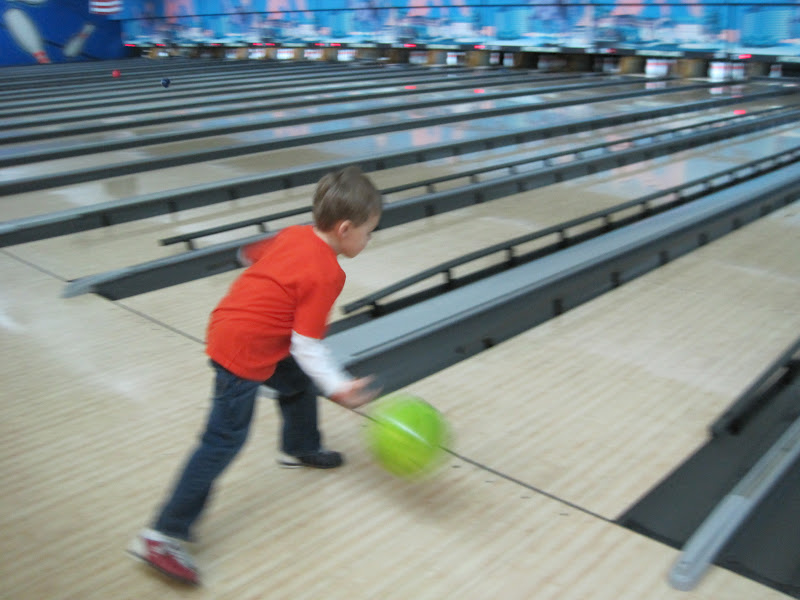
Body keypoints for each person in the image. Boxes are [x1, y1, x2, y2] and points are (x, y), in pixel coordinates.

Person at [128, 165, 383, 585]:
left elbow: (259, 252)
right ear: (344, 229)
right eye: (369, 232)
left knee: (295, 381)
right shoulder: (327, 273)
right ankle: (162, 534)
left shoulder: (297, 234)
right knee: (223, 440)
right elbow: (307, 344)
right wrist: (338, 387)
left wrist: (248, 257)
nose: (369, 239)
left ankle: (299, 447)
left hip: (237, 327)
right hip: (243, 352)